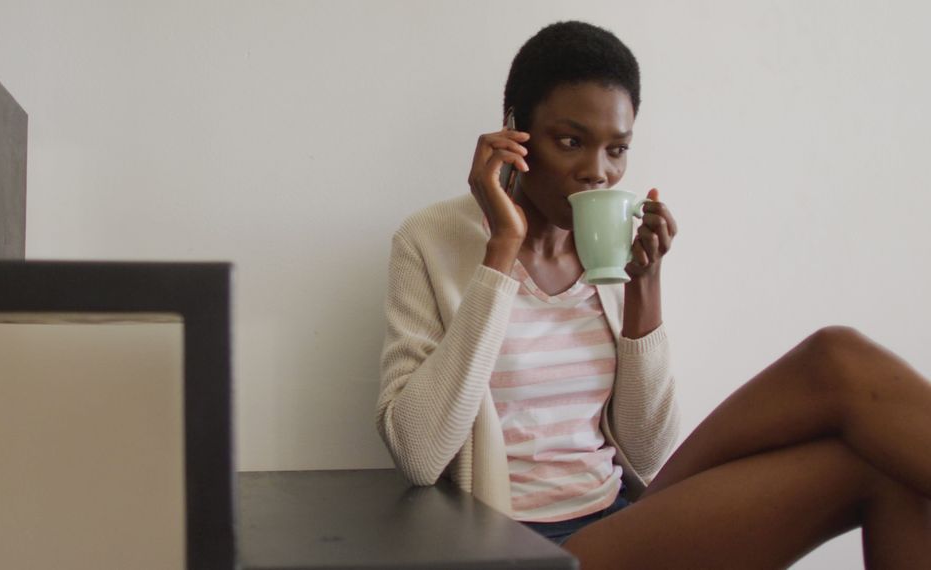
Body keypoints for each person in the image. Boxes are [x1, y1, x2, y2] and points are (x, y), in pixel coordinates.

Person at [376, 20, 931, 568]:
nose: (597, 172)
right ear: (513, 132)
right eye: (570, 142)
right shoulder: (431, 242)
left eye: (617, 149)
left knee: (850, 392)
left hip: (619, 523)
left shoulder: (612, 250)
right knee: (852, 413)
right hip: (520, 546)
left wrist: (643, 286)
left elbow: (645, 454)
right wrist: (501, 251)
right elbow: (419, 455)